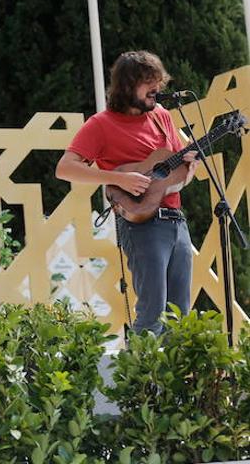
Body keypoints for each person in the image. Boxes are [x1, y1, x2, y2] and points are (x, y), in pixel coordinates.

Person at [55, 50, 197, 335]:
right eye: (148, 82)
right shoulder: (101, 124)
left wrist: (190, 167)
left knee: (180, 316)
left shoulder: (162, 116)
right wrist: (118, 179)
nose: (156, 89)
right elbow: (64, 168)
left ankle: (174, 380)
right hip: (142, 226)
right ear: (127, 86)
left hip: (176, 221)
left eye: (158, 81)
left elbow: (175, 173)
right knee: (153, 313)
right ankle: (142, 378)